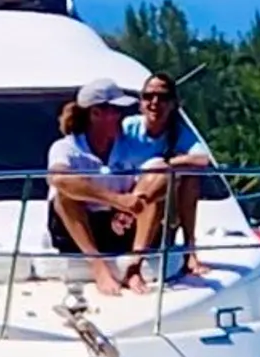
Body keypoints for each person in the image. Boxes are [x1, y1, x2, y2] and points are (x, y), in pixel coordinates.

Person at [48, 78, 153, 296]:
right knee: (64, 195)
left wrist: (132, 203)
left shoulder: (129, 146)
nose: (120, 117)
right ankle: (98, 266)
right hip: (78, 231)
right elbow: (58, 178)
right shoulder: (66, 148)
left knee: (158, 175)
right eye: (115, 111)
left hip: (120, 225)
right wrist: (117, 200)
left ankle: (135, 265)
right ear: (95, 113)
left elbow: (157, 169)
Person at [112, 72, 216, 279]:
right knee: (159, 172)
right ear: (140, 102)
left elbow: (203, 160)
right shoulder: (127, 127)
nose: (155, 102)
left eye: (163, 97)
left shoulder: (178, 132)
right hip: (122, 197)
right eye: (148, 96)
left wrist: (168, 164)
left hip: (153, 205)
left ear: (173, 104)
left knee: (185, 175)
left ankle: (189, 249)